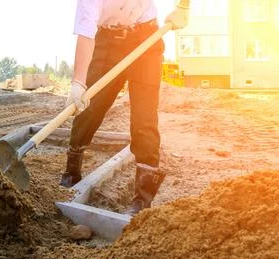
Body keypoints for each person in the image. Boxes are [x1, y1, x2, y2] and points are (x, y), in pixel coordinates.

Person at [61, 0, 190, 215]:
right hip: (107, 43)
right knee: (89, 109)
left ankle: (142, 199)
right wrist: (78, 83)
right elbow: (86, 33)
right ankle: (71, 171)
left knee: (144, 118)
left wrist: (183, 7)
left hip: (145, 38)